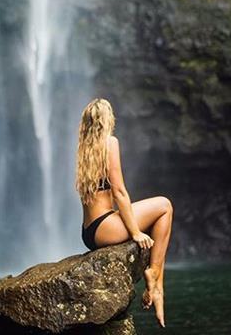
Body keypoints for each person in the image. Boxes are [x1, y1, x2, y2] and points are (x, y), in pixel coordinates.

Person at [75, 97, 173, 328]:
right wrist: (136, 232)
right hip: (106, 226)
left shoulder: (84, 149)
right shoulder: (109, 143)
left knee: (159, 227)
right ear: (107, 119)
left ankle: (158, 290)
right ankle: (155, 275)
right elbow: (119, 192)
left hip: (90, 232)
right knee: (165, 206)